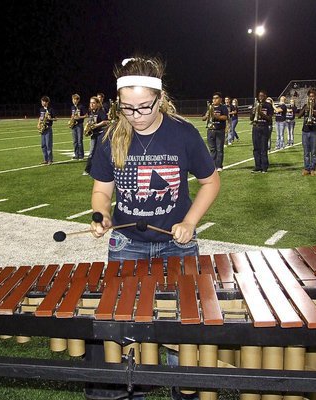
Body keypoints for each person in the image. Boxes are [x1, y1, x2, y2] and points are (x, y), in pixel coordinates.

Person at [89, 55, 220, 400]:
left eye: (144, 107)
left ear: (160, 99)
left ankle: (185, 390)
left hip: (176, 245)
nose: (135, 116)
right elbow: (102, 191)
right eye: (127, 109)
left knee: (183, 327)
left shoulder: (183, 134)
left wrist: (190, 222)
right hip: (127, 244)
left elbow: (211, 182)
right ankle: (133, 391)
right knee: (127, 326)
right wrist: (101, 214)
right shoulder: (110, 138)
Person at [297, 89, 316, 176]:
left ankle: (313, 169)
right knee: (306, 152)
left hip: (314, 131)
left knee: (313, 152)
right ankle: (306, 168)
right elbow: (299, 116)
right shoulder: (305, 106)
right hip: (305, 131)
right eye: (310, 96)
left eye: (313, 96)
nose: (311, 98)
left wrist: (313, 111)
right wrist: (306, 108)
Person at [202, 92, 228, 172]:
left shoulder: (223, 107)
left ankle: (219, 166)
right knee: (212, 149)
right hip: (210, 130)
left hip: (219, 130)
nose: (214, 100)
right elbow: (203, 118)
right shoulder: (210, 107)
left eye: (216, 98)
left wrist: (215, 116)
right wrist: (207, 115)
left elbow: (225, 117)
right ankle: (212, 166)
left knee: (219, 149)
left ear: (220, 99)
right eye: (213, 98)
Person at [83, 96, 108, 175]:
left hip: (101, 135)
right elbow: (90, 121)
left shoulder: (101, 111)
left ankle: (89, 169)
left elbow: (105, 121)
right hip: (94, 135)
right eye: (90, 103)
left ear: (97, 104)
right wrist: (87, 125)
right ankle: (89, 169)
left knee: (101, 153)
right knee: (92, 152)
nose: (91, 104)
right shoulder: (91, 112)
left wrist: (96, 125)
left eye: (93, 103)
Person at [250, 90, 273, 173]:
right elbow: (251, 118)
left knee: (263, 148)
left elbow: (269, 119)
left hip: (264, 127)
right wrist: (253, 113)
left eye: (262, 96)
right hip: (256, 127)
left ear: (265, 97)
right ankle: (257, 166)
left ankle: (264, 167)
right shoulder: (255, 105)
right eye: (259, 96)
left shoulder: (268, 106)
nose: (261, 97)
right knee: (256, 148)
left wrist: (261, 113)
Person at [37, 96, 57, 165]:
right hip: (43, 128)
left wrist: (50, 118)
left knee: (48, 145)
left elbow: (56, 119)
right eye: (42, 101)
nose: (42, 103)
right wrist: (38, 124)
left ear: (47, 102)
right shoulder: (41, 109)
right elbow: (40, 117)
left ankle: (50, 160)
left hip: (48, 128)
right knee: (43, 145)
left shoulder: (51, 109)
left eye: (43, 101)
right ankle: (45, 159)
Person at [69, 94, 88, 160]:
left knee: (80, 141)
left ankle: (81, 155)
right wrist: (71, 120)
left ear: (78, 100)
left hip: (79, 125)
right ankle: (76, 155)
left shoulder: (81, 107)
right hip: (74, 125)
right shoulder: (72, 107)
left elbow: (86, 115)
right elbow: (72, 115)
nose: (74, 101)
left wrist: (80, 117)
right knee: (75, 141)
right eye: (73, 99)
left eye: (76, 99)